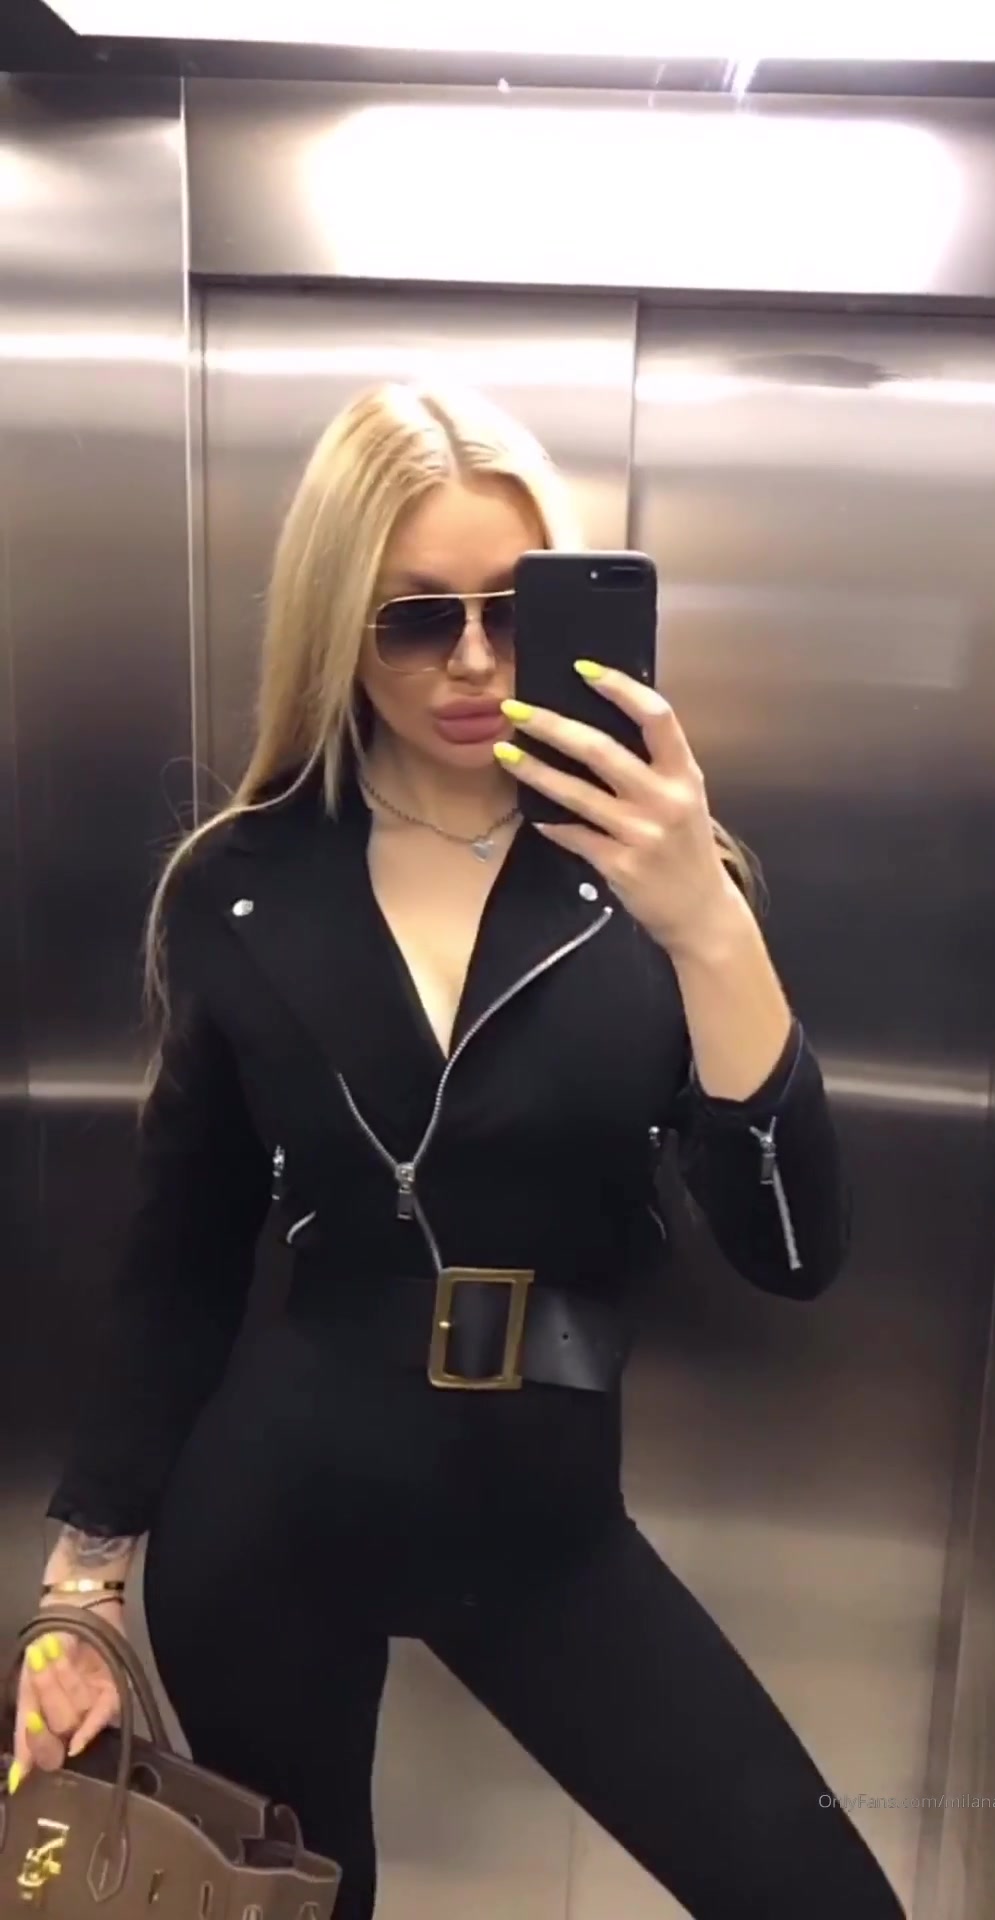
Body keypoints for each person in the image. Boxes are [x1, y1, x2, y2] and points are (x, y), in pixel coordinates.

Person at [10, 384, 904, 1919]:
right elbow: (180, 1254)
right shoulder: (241, 885)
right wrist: (81, 1586)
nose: (476, 661)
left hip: (547, 1526)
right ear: (339, 630)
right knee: (309, 1907)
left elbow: (793, 1253)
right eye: (418, 618)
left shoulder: (655, 877)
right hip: (271, 1516)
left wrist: (708, 922)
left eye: (512, 610)